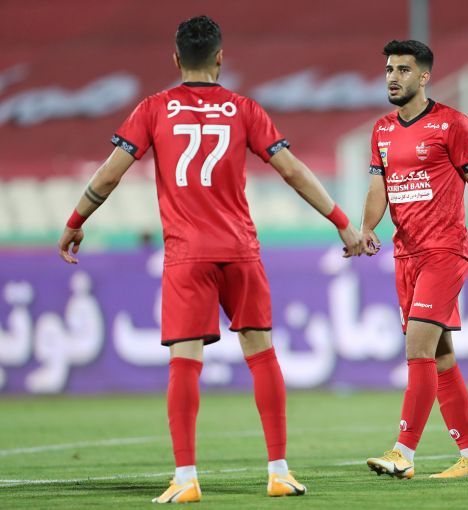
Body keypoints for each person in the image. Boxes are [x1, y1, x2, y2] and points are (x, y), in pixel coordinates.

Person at [57, 16, 364, 503]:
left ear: (175, 58)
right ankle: (279, 472)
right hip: (240, 249)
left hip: (187, 254)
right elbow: (291, 170)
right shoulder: (244, 109)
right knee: (262, 355)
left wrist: (76, 220)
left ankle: (185, 478)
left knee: (184, 362)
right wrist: (342, 222)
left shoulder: (153, 108)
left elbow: (111, 174)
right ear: (220, 58)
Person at [361, 40, 468, 479]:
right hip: (406, 254)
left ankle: (403, 452)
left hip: (444, 251)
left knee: (417, 348)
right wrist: (366, 228)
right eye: (389, 69)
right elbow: (379, 188)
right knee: (440, 356)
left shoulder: (453, 125)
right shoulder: (381, 130)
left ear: (424, 77)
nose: (393, 77)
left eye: (403, 70)